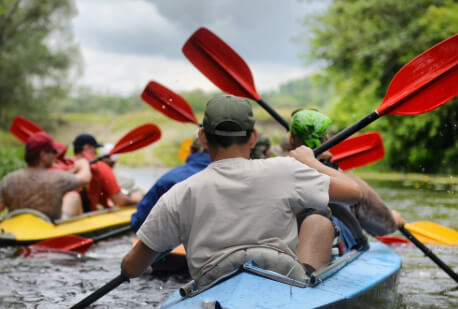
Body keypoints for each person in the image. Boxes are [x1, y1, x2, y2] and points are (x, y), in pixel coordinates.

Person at [121, 95, 370, 287]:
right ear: (253, 138)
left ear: (203, 138)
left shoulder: (180, 193)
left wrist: (153, 248)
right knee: (318, 215)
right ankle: (309, 282)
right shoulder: (285, 169)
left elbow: (132, 268)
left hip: (212, 284)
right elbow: (355, 192)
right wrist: (313, 162)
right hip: (283, 277)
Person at [288, 109, 403, 249]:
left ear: (291, 140)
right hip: (332, 255)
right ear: (327, 139)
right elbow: (383, 227)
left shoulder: (273, 173)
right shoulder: (350, 185)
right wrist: (395, 220)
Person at [0, 132, 92, 222]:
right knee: (74, 196)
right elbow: (85, 179)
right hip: (48, 232)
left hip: (17, 234)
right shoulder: (58, 178)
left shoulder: (8, 180)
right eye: (53, 152)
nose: (55, 155)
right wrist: (83, 163)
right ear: (43, 155)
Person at [130, 135, 211, 232]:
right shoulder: (230, 177)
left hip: (175, 244)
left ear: (190, 149)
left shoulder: (169, 180)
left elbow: (140, 221)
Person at [73, 133, 144, 211]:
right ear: (87, 148)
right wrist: (138, 198)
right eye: (95, 149)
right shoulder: (101, 167)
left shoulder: (67, 165)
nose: (96, 153)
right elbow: (120, 200)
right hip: (87, 217)